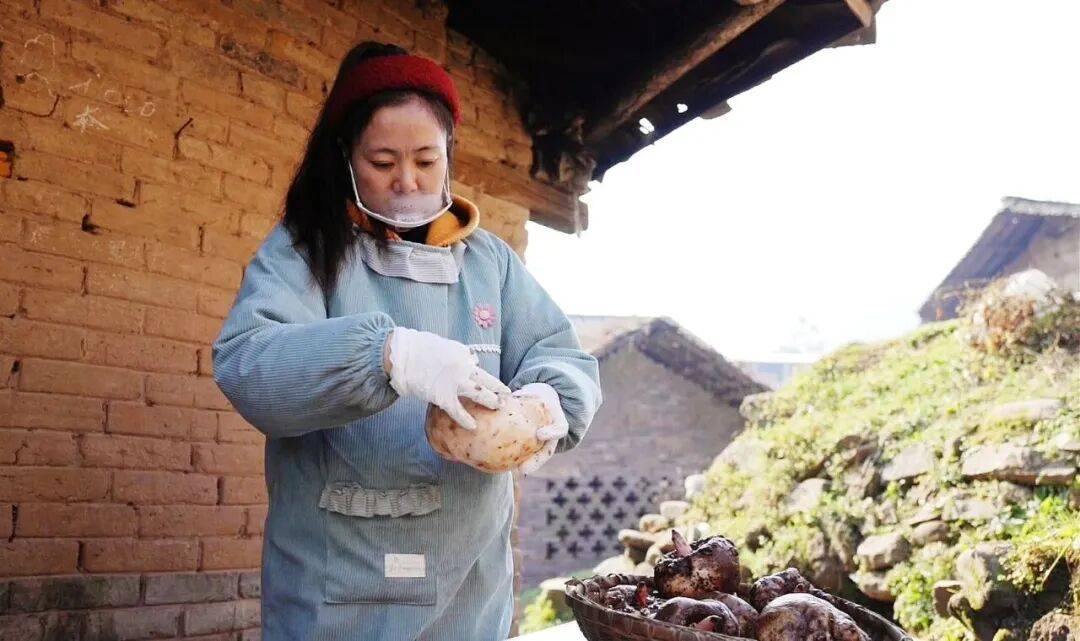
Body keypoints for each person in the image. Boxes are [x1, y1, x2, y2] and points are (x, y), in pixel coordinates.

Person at [212, 41, 603, 641]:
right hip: (339, 587)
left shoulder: (489, 263)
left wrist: (550, 401)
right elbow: (249, 364)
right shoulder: (306, 250)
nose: (406, 180)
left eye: (426, 159)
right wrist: (386, 356)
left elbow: (561, 355)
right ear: (346, 157)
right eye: (382, 161)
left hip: (468, 589)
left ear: (449, 154)